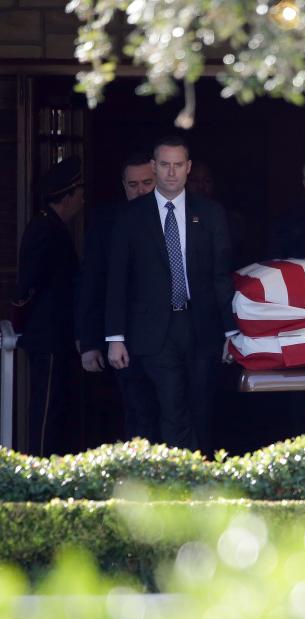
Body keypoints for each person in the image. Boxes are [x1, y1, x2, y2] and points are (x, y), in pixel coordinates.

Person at [105, 135, 237, 452]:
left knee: (201, 406)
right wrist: (115, 337)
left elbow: (221, 275)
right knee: (172, 403)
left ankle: (202, 476)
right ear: (154, 166)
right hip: (154, 330)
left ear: (188, 167)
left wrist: (232, 330)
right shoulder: (131, 215)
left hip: (201, 325)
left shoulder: (210, 213)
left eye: (178, 165)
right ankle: (179, 482)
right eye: (164, 165)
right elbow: (118, 278)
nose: (171, 172)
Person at [75, 152, 159, 441]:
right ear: (123, 185)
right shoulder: (107, 222)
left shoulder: (179, 215)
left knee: (178, 413)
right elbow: (92, 283)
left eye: (147, 182)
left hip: (174, 338)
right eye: (133, 184)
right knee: (137, 413)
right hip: (125, 338)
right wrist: (89, 342)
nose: (140, 191)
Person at [14, 156, 83, 455]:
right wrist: (23, 322)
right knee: (45, 409)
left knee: (57, 408)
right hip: (48, 334)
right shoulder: (44, 228)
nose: (83, 200)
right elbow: (27, 285)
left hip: (57, 334)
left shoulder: (54, 226)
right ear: (67, 197)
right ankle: (39, 467)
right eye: (79, 194)